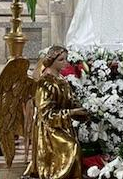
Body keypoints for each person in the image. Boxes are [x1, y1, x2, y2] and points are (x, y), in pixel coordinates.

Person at [23, 46, 86, 179]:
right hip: (49, 129)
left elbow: (70, 102)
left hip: (63, 126)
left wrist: (82, 111)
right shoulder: (45, 83)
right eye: (61, 60)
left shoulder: (63, 80)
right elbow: (45, 114)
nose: (65, 62)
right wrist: (71, 113)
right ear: (52, 61)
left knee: (75, 148)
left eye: (66, 59)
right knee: (71, 147)